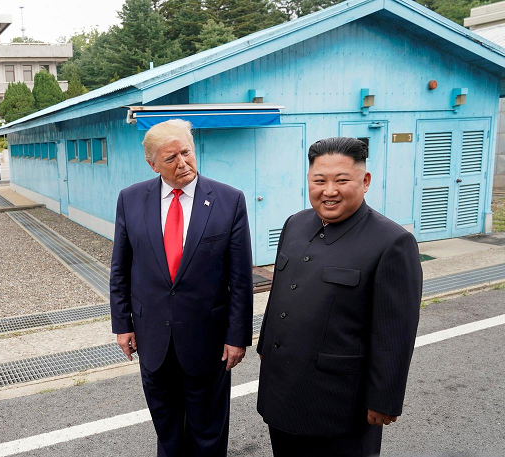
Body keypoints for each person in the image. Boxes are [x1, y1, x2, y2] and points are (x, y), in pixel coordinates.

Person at [257, 137, 422, 457]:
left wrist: (384, 399)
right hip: (281, 391)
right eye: (319, 180)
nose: (329, 190)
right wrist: (265, 345)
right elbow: (280, 291)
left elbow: (395, 332)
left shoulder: (392, 242)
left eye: (342, 180)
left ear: (365, 181)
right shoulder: (295, 224)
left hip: (339, 403)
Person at [110, 119, 253, 457]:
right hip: (152, 336)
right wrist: (122, 325)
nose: (183, 163)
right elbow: (121, 268)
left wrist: (237, 336)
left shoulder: (228, 200)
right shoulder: (130, 200)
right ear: (152, 163)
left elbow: (241, 277)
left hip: (208, 338)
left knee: (208, 430)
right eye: (171, 158)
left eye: (186, 152)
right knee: (166, 426)